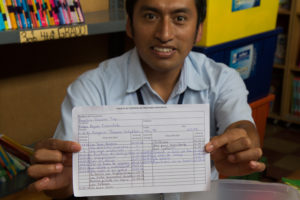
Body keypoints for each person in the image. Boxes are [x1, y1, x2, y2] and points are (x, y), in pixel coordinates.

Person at [27, 0, 266, 199]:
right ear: (130, 25)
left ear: (198, 30)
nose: (164, 34)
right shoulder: (91, 88)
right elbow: (61, 184)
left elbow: (242, 127)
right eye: (150, 16)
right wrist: (61, 182)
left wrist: (245, 138)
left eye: (180, 18)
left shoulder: (221, 79)